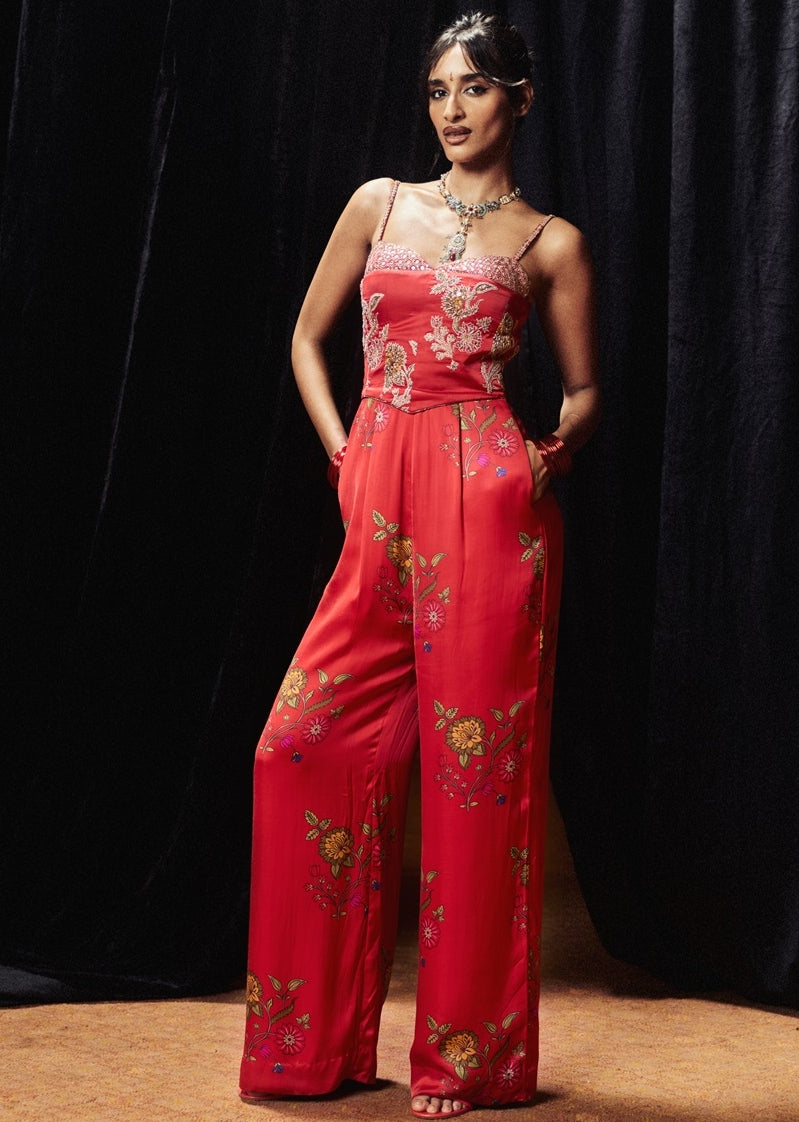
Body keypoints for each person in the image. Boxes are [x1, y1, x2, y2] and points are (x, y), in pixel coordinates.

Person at [239, 11, 601, 1118]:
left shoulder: (549, 242)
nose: (452, 108)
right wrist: (343, 453)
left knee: (473, 785)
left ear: (518, 101)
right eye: (439, 88)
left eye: (475, 87)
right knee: (299, 747)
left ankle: (466, 1059)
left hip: (485, 512)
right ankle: (313, 1046)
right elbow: (307, 339)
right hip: (379, 494)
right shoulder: (380, 204)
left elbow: (586, 389)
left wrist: (538, 461)